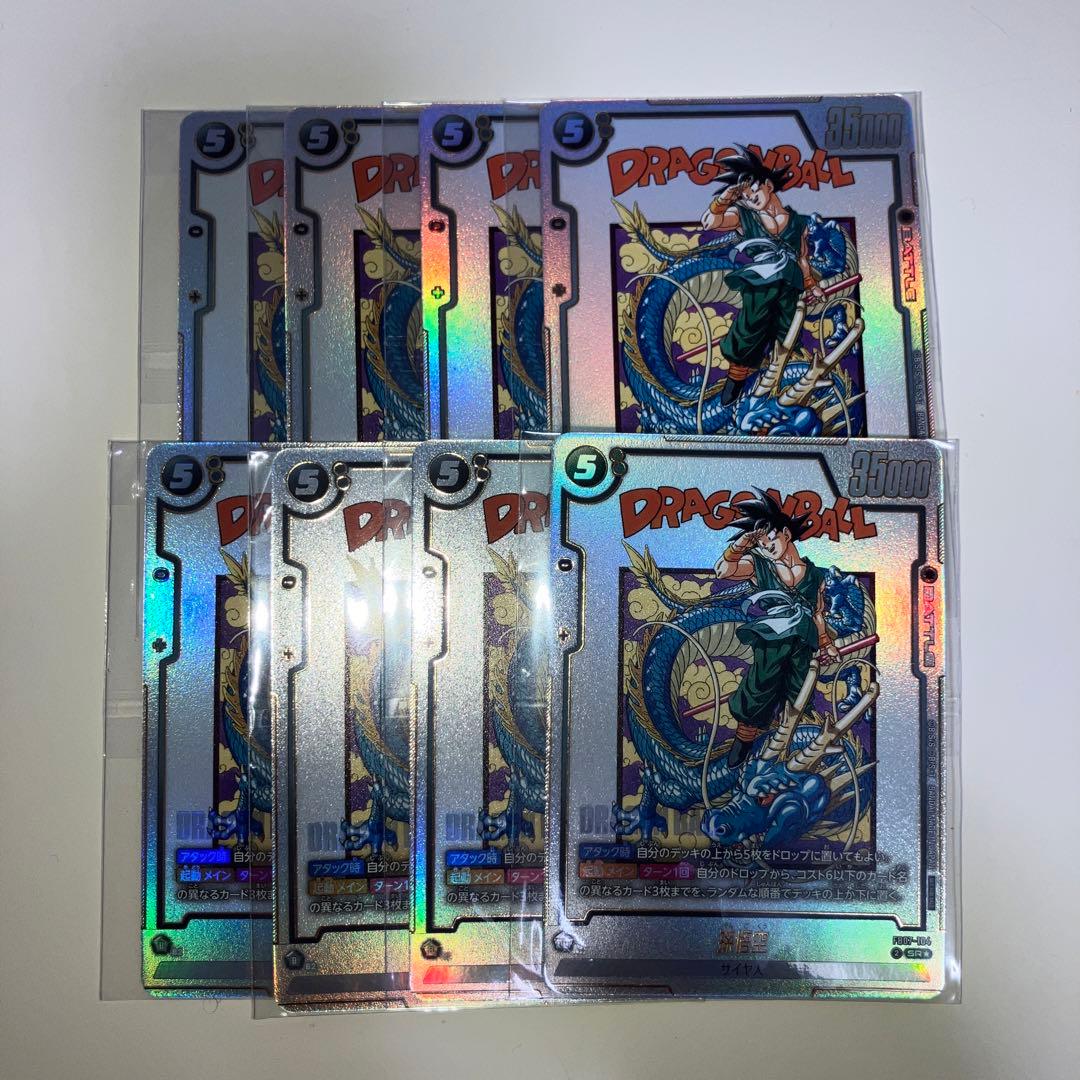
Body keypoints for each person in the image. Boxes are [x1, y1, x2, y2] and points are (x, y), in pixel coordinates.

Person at [714, 489, 840, 767]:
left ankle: (785, 751)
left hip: (803, 642)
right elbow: (722, 570)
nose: (767, 546)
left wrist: (826, 643)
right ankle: (742, 746)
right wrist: (741, 545)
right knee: (759, 688)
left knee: (798, 693)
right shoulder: (759, 565)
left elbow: (818, 613)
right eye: (761, 544)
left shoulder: (815, 574)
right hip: (773, 639)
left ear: (786, 533)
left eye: (769, 539)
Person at [700, 146, 825, 405]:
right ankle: (734, 385)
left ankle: (781, 387)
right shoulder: (743, 216)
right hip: (761, 283)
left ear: (768, 185)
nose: (750, 199)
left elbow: (802, 257)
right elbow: (709, 222)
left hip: (790, 286)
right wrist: (725, 198)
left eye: (753, 191)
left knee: (787, 333)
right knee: (750, 330)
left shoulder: (798, 222)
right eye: (744, 197)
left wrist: (811, 285)